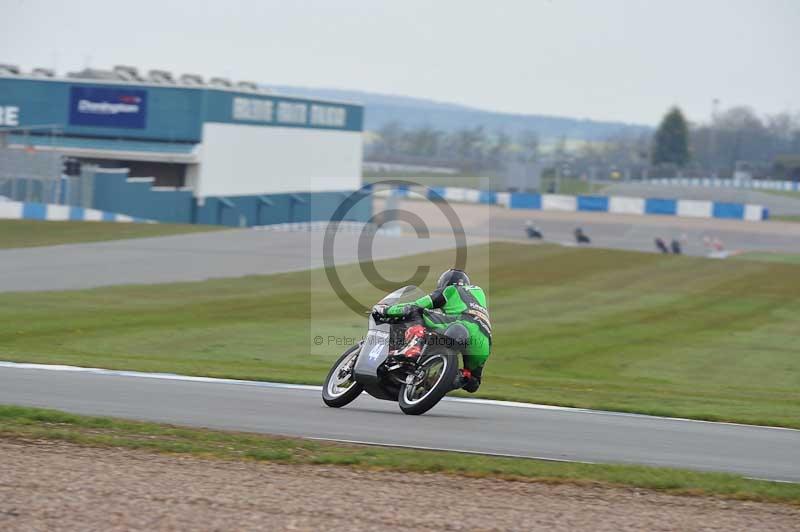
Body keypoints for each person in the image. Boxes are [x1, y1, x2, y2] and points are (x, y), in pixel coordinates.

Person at [374, 269, 491, 393]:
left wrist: (386, 310)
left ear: (445, 283)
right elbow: (473, 387)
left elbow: (415, 306)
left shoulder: (450, 290)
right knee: (472, 381)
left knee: (416, 311)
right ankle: (449, 379)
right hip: (484, 340)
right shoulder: (477, 294)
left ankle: (413, 348)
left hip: (461, 322)